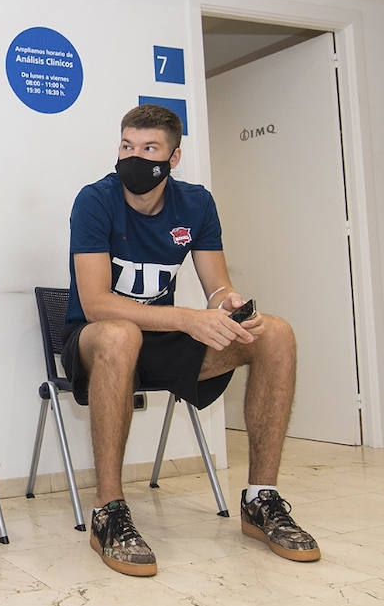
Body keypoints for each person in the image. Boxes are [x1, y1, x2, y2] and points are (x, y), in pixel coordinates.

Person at [62, 103, 318, 577]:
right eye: (126, 146)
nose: (134, 158)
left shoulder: (196, 204)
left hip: (162, 337)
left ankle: (261, 500)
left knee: (276, 333)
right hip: (97, 341)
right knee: (119, 333)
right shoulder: (94, 200)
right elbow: (95, 303)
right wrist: (187, 318)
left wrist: (226, 302)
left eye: (149, 149)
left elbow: (216, 285)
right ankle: (109, 511)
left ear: (174, 158)